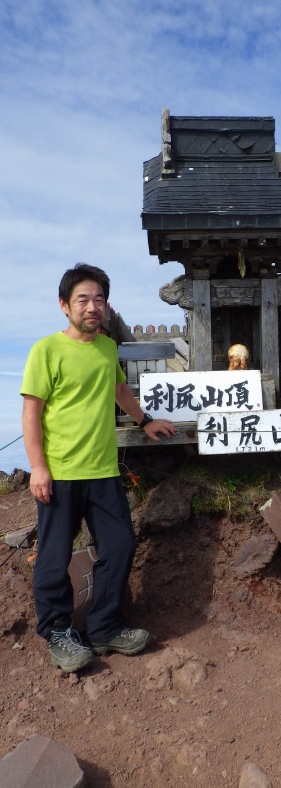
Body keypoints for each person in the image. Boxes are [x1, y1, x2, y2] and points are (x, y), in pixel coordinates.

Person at [21, 263, 176, 673]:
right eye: (83, 300)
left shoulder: (107, 348)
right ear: (64, 306)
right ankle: (57, 631)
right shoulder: (47, 350)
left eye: (99, 299)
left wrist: (144, 421)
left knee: (121, 545)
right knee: (54, 557)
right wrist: (37, 467)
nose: (93, 307)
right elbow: (31, 412)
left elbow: (119, 389)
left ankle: (104, 626)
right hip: (60, 472)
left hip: (104, 470)